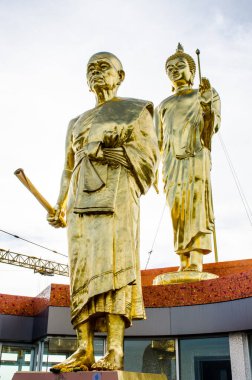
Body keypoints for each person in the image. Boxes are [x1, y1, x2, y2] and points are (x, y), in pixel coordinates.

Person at [47, 51, 159, 372]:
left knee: (115, 264)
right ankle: (83, 348)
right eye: (91, 69)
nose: (97, 73)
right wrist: (59, 204)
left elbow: (150, 158)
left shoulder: (135, 110)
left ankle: (114, 350)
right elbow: (68, 169)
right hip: (80, 202)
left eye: (104, 67)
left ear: (119, 76)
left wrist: (117, 149)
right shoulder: (76, 122)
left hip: (118, 195)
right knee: (81, 270)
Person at [155, 44, 221, 273]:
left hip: (195, 155)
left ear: (192, 72)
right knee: (177, 207)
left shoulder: (205, 94)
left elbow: (212, 127)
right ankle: (182, 259)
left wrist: (206, 105)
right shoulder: (163, 105)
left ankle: (196, 259)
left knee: (196, 204)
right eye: (169, 68)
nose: (174, 71)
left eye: (180, 66)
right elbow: (157, 141)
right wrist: (153, 169)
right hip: (172, 162)